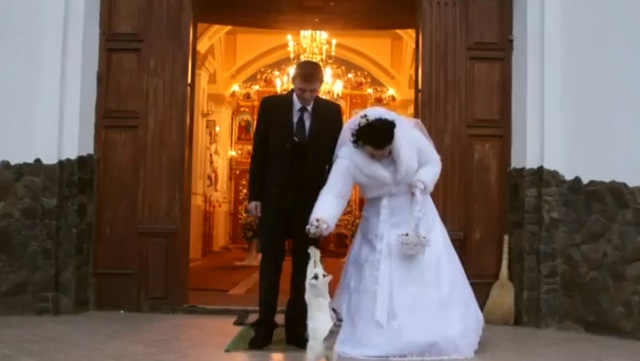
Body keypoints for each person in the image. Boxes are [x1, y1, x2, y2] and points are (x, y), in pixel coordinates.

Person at [306, 107, 484, 359]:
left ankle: (430, 332)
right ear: (362, 145)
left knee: (423, 273)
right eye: (373, 154)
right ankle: (378, 334)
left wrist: (422, 180)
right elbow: (336, 192)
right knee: (378, 276)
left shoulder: (410, 138)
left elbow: (433, 162)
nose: (380, 157)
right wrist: (322, 218)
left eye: (385, 153)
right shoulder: (349, 157)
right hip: (379, 222)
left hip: (416, 214)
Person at [247, 60, 343, 349]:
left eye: (313, 91)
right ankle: (263, 328)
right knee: (270, 267)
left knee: (305, 268)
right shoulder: (271, 106)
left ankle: (296, 330)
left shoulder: (331, 112)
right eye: (302, 90)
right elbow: (260, 152)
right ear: (293, 82)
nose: (308, 96)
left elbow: (337, 160)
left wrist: (331, 204)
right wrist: (254, 196)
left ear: (321, 86)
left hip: (311, 204)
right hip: (274, 200)